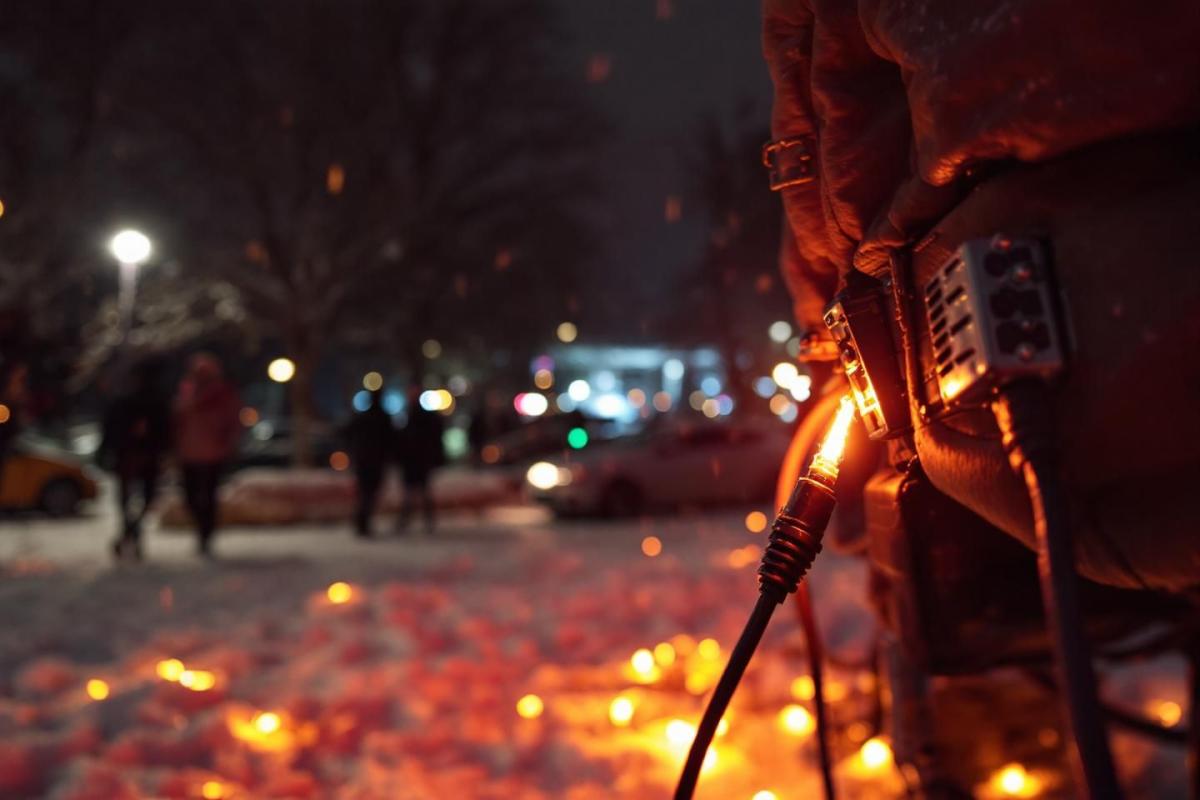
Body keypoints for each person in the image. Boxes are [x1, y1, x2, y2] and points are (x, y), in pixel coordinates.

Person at [99, 359, 170, 560]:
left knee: (136, 499)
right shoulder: (135, 401)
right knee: (136, 498)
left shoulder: (152, 402)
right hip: (133, 454)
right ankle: (132, 532)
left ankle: (129, 533)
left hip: (138, 454)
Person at [173, 353, 240, 557]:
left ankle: (206, 534)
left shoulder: (221, 394)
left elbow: (231, 421)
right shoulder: (187, 392)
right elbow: (177, 421)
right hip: (189, 453)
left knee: (208, 497)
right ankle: (202, 529)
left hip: (213, 453)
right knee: (191, 496)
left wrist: (228, 443)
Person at [345, 389, 394, 537]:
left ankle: (361, 522)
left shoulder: (362, 417)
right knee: (370, 494)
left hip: (363, 461)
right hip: (376, 462)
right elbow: (391, 440)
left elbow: (347, 432)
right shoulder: (383, 418)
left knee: (364, 493)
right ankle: (363, 523)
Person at [396, 385, 444, 534]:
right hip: (414, 461)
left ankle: (416, 521)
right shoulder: (410, 415)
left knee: (418, 493)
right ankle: (411, 521)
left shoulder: (417, 416)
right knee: (414, 493)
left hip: (418, 460)